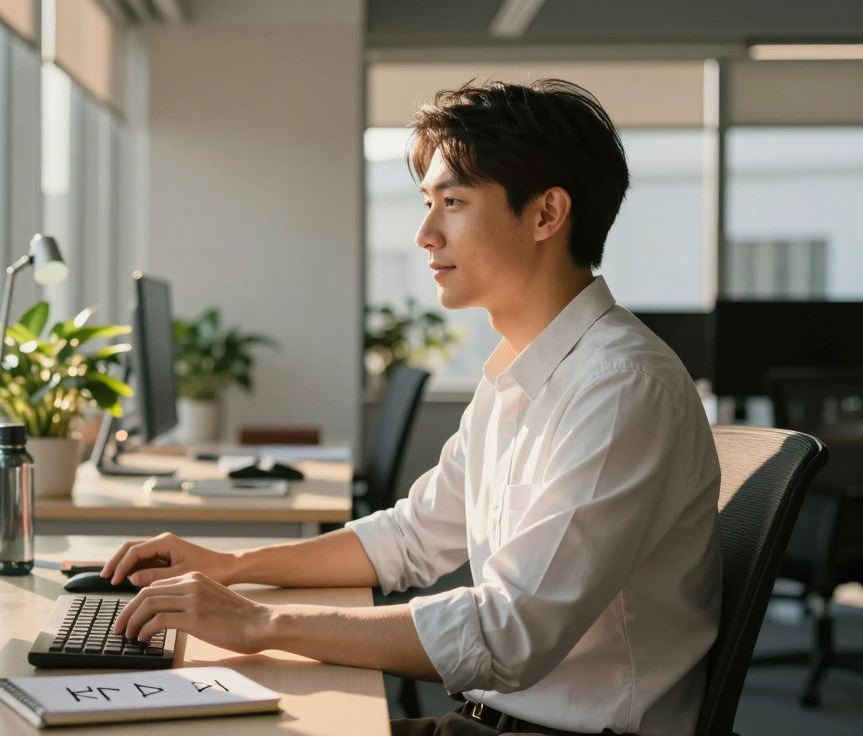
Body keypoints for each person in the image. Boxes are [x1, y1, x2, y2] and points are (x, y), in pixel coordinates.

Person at [104, 79, 722, 736]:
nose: (426, 234)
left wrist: (261, 622)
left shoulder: (622, 386)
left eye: (452, 202)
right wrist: (234, 568)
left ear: (545, 215)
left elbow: (508, 635)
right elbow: (409, 538)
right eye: (428, 204)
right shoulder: (519, 374)